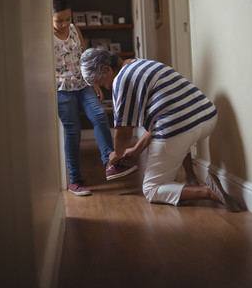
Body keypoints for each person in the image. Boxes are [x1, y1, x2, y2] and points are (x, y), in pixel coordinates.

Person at [80, 48, 240, 211]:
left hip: (182, 127)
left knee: (151, 190)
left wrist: (116, 154)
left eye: (102, 82)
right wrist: (136, 149)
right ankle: (191, 179)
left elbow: (123, 133)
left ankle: (207, 192)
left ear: (106, 69)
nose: (106, 87)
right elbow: (162, 117)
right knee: (178, 126)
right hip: (207, 117)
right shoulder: (141, 63)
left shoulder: (120, 80)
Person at [52, 0, 137, 196]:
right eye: (59, 20)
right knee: (73, 132)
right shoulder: (43, 36)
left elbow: (82, 57)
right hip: (62, 89)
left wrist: (94, 82)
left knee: (99, 115)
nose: (65, 24)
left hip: (83, 84)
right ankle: (75, 180)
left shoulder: (74, 30)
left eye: (67, 18)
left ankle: (110, 163)